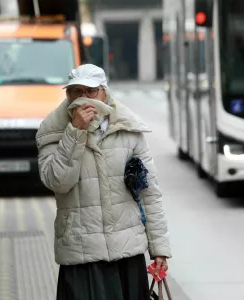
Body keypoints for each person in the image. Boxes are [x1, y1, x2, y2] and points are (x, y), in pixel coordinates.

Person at [36, 64, 172, 300]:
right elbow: (57, 182)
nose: (83, 98)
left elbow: (149, 193)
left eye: (90, 91)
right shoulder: (53, 131)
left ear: (104, 93)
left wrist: (158, 248)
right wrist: (74, 133)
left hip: (126, 254)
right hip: (81, 254)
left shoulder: (129, 129)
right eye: (75, 92)